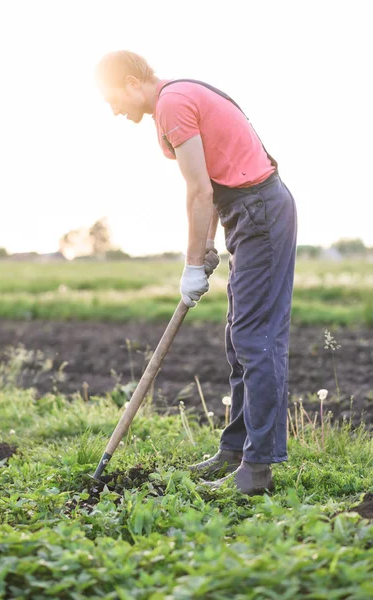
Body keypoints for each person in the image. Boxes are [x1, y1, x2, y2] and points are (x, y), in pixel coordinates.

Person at [96, 50, 298, 495]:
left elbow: (198, 191)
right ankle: (235, 450)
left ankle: (257, 468)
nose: (115, 111)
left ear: (132, 83)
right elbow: (211, 185)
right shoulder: (176, 99)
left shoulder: (171, 103)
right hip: (246, 211)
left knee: (256, 338)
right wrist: (206, 246)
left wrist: (191, 265)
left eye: (114, 99)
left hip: (259, 210)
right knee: (238, 337)